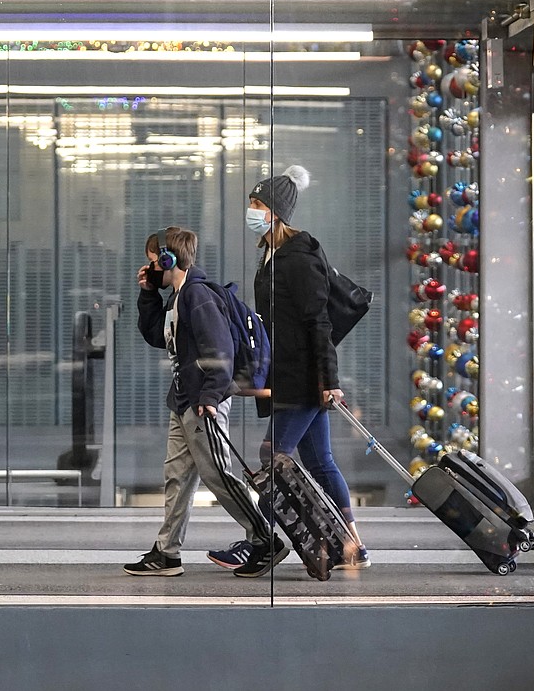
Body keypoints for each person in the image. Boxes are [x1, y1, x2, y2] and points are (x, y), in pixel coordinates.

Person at [212, 165, 370, 570]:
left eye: (257, 203)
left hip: (303, 376)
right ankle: (353, 546)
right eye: (251, 202)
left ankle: (262, 540)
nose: (251, 209)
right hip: (289, 374)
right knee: (319, 462)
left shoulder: (299, 256)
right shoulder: (271, 254)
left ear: (276, 211)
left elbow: (319, 322)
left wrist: (329, 381)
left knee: (272, 455)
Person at [123, 226, 288, 579]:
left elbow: (220, 351)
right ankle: (167, 553)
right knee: (177, 478)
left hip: (202, 402)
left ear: (169, 259)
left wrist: (211, 396)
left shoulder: (198, 296)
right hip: (183, 400)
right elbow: (157, 336)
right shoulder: (179, 297)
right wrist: (149, 294)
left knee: (218, 475)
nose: (149, 267)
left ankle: (264, 540)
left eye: (154, 262)